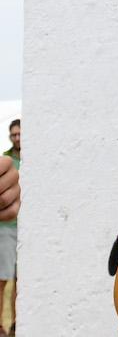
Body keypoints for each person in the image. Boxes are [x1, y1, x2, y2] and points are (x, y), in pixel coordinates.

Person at [0, 120, 18, 337]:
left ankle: (15, 324)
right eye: (14, 134)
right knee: (3, 278)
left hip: (24, 230)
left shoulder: (32, 159)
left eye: (20, 133)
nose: (17, 137)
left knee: (21, 282)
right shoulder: (6, 158)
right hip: (6, 229)